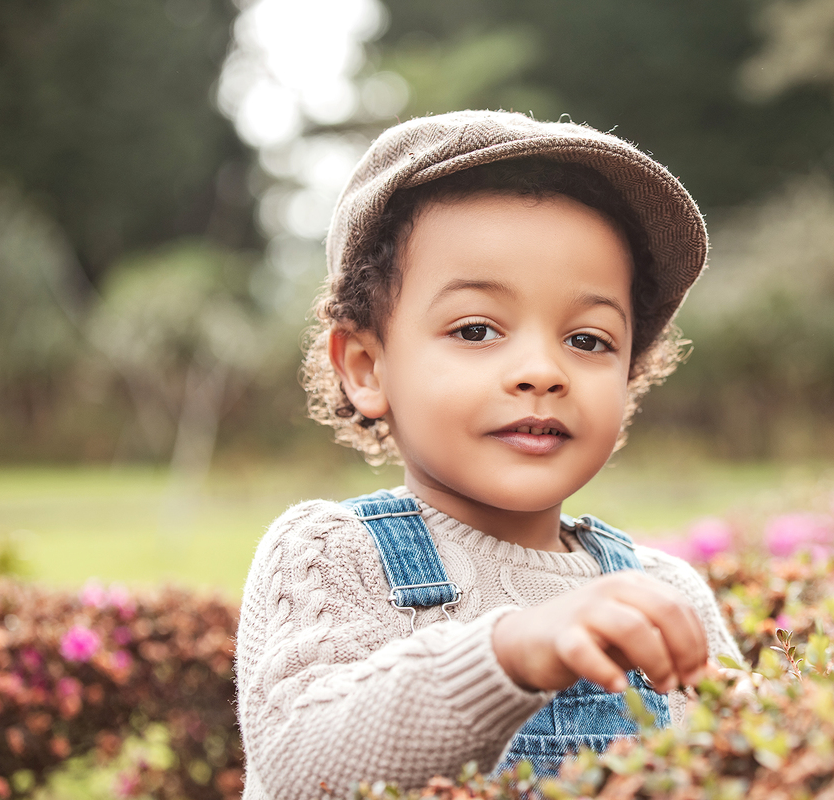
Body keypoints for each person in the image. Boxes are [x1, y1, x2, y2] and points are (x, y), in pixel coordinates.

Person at [235, 110, 740, 799]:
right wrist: (509, 654)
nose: (541, 370)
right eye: (476, 329)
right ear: (366, 366)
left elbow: (752, 762)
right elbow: (302, 767)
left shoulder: (664, 593)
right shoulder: (332, 556)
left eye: (588, 340)